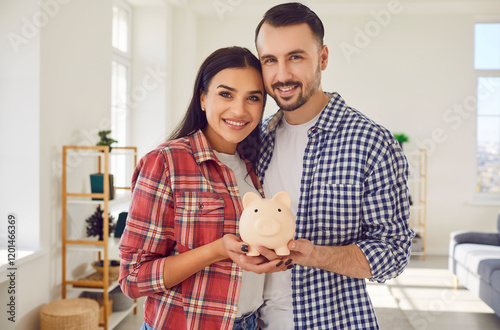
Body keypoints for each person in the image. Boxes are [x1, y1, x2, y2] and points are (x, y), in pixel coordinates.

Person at [251, 3, 415, 329]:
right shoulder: (255, 140)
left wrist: (316, 255)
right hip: (256, 322)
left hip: (334, 322)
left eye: (295, 57)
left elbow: (393, 254)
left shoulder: (372, 143)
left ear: (323, 58)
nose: (282, 75)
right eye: (270, 60)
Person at [118, 46, 289, 330]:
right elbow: (132, 278)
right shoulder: (165, 162)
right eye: (226, 94)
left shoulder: (257, 164)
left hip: (250, 323)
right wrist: (217, 250)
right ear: (202, 98)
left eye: (253, 98)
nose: (239, 109)